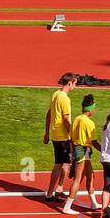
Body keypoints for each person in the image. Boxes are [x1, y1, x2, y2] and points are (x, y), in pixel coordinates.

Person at [62, 95, 101, 214]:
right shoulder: (89, 123)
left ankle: (93, 203)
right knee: (78, 179)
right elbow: (94, 142)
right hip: (83, 150)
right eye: (94, 108)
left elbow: (71, 137)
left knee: (90, 176)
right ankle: (67, 207)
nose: (94, 110)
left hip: (79, 149)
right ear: (90, 110)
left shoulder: (77, 119)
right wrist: (105, 151)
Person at [43, 72, 78, 201]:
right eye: (75, 84)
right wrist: (73, 135)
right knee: (59, 164)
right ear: (70, 83)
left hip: (55, 134)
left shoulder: (55, 94)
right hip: (62, 136)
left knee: (66, 163)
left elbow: (48, 114)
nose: (75, 86)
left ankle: (59, 188)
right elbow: (66, 119)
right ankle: (50, 193)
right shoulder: (65, 98)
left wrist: (47, 132)